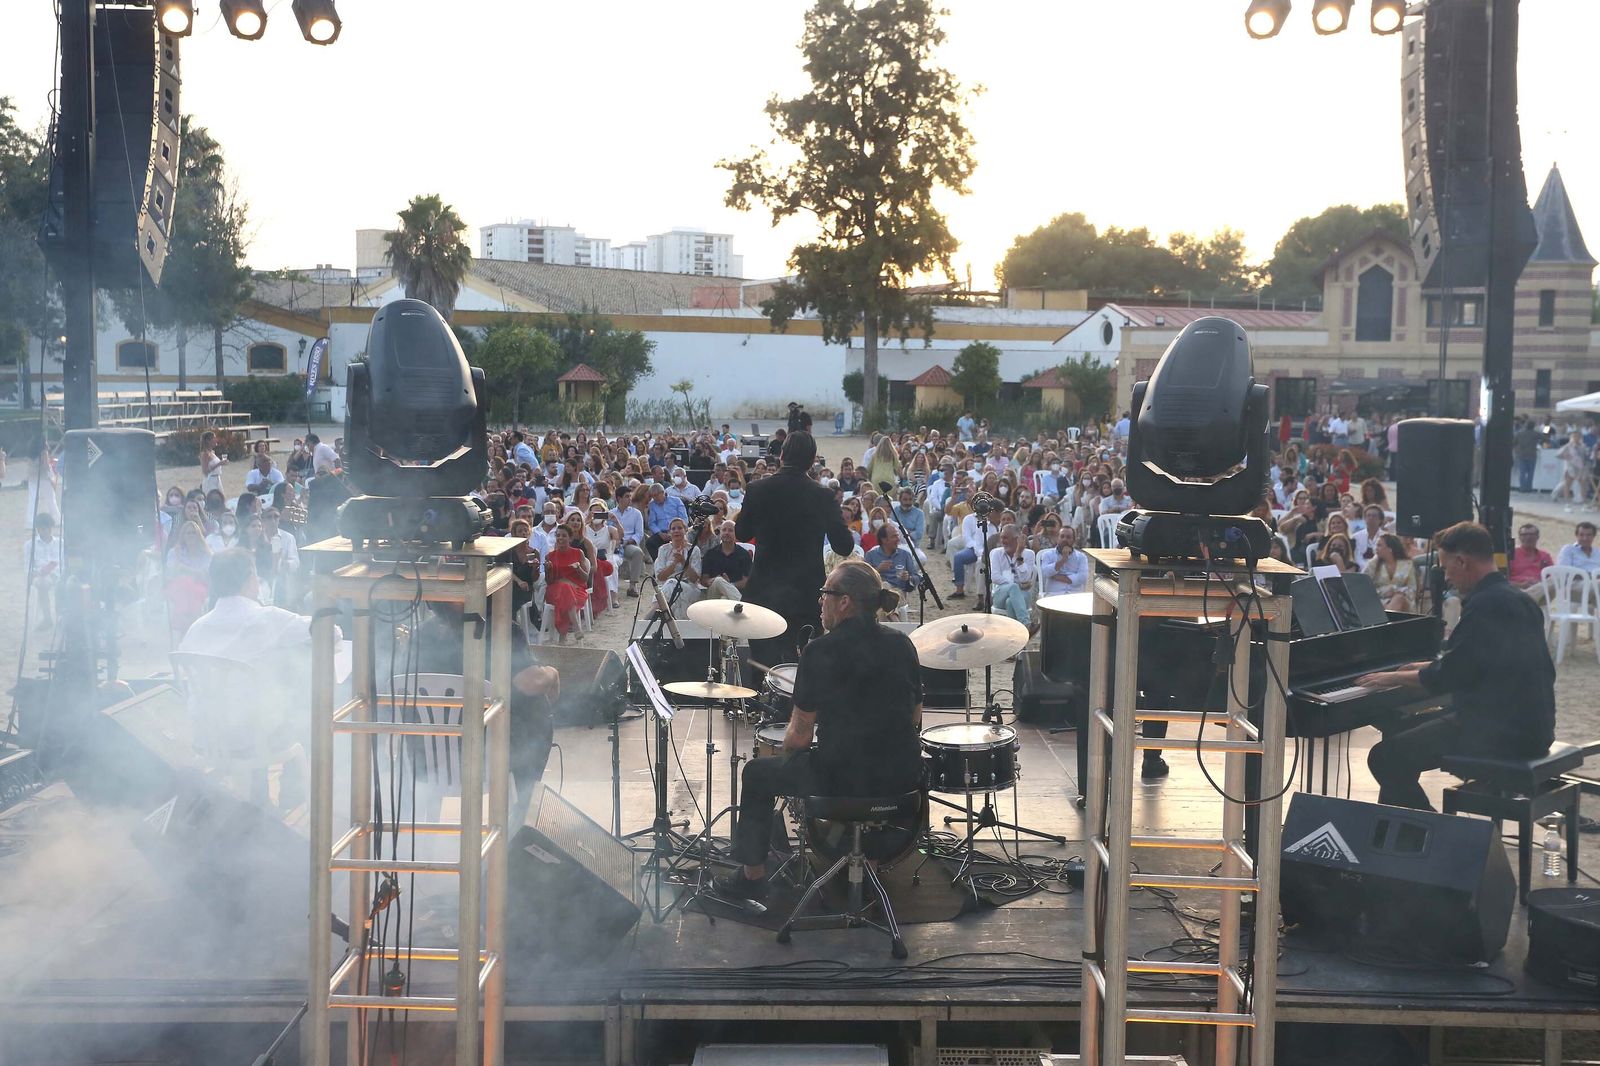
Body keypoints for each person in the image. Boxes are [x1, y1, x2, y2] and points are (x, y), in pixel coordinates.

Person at [713, 560, 923, 902]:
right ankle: (863, 861)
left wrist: (792, 759)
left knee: (756, 773)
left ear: (845, 602)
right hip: (901, 782)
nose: (820, 600)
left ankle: (752, 878)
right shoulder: (902, 644)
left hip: (840, 781)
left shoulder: (820, 650)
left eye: (826, 593)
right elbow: (915, 716)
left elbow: (799, 735)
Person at [1358, 522, 1556, 810]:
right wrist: (1421, 666)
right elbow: (1478, 662)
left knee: (1385, 757)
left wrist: (1390, 678)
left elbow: (1449, 676)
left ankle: (1431, 835)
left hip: (1500, 733)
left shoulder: (1484, 605)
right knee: (1400, 732)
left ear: (1462, 561)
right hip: (1533, 724)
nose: (1447, 577)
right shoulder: (1517, 599)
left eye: (1446, 567)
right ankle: (1396, 831)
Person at [735, 431, 854, 667]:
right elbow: (844, 545)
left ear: (781, 455)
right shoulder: (823, 495)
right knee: (804, 669)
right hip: (806, 596)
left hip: (764, 592)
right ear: (812, 461)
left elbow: (741, 534)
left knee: (763, 667)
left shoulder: (757, 489)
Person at [542, 525, 590, 642]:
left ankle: (562, 637)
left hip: (577, 591)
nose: (560, 538)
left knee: (565, 591)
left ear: (570, 538)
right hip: (555, 591)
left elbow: (585, 579)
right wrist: (548, 570)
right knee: (564, 589)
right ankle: (575, 625)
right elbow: (549, 581)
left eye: (564, 535)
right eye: (558, 535)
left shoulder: (578, 553)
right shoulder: (550, 556)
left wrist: (578, 568)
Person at [653, 517, 703, 617]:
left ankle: (653, 612)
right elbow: (660, 577)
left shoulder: (693, 550)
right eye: (673, 528)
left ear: (685, 530)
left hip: (689, 586)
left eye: (679, 528)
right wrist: (675, 562)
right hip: (666, 586)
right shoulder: (663, 549)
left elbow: (695, 578)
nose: (676, 531)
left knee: (672, 585)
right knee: (672, 585)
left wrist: (683, 561)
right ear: (669, 532)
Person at [988, 522, 1037, 625]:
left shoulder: (1029, 554)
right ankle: (1026, 624)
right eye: (1001, 538)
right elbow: (995, 577)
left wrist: (1019, 555)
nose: (1002, 541)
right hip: (1001, 593)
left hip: (1023, 594)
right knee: (1013, 587)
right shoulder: (996, 553)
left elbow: (1025, 578)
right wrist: (1017, 585)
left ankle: (1015, 634)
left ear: (1017, 539)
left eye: (1006, 538)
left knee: (1010, 603)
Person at [23, 513, 62, 629]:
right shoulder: (30, 545)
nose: (46, 531)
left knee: (63, 584)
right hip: (39, 576)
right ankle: (47, 618)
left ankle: (61, 616)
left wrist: (53, 571)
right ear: (38, 529)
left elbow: (63, 564)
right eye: (43, 528)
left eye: (49, 528)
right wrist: (39, 573)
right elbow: (28, 567)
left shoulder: (61, 543)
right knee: (42, 583)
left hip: (57, 574)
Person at [699, 519, 752, 602]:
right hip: (713, 593)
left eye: (730, 530)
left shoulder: (744, 555)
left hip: (735, 591)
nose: (727, 533)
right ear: (720, 533)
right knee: (719, 580)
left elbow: (746, 581)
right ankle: (743, 606)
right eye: (724, 530)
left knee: (724, 599)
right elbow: (703, 580)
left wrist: (729, 584)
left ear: (736, 534)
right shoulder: (710, 554)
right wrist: (714, 580)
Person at [864, 519, 916, 600]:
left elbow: (916, 576)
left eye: (897, 535)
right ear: (884, 540)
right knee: (885, 586)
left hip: (898, 593)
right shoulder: (870, 555)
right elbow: (864, 579)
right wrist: (878, 570)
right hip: (877, 594)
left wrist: (908, 578)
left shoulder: (905, 555)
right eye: (894, 536)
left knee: (891, 594)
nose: (898, 539)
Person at [1363, 533, 1415, 611]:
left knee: (1398, 599)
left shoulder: (1407, 564)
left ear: (1390, 549)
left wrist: (1397, 591)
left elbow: (1413, 589)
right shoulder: (1373, 564)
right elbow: (1363, 587)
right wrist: (1385, 592)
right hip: (1379, 601)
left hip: (1403, 601)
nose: (1376, 548)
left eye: (1379, 545)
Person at [1037, 524, 1089, 597]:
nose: (1065, 539)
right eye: (1062, 536)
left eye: (1068, 537)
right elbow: (1045, 573)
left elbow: (1082, 577)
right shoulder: (1047, 555)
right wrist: (1063, 560)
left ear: (1073, 540)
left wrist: (1057, 577)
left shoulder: (1081, 557)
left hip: (1075, 595)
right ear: (1057, 538)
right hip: (1054, 595)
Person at [1508, 523, 1554, 601]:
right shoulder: (1511, 555)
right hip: (1518, 590)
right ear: (1519, 537)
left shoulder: (1545, 556)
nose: (1528, 537)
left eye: (1532, 534)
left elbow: (1552, 578)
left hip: (1540, 590)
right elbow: (1503, 580)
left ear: (1537, 537)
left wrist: (1539, 583)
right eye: (1524, 535)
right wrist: (1521, 585)